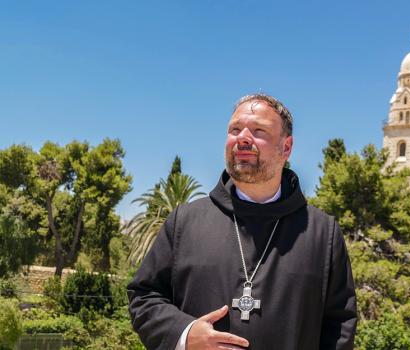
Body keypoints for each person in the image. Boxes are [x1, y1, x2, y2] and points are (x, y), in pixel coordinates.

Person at [127, 94, 357, 350]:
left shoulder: (322, 233)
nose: (243, 138)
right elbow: (144, 296)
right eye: (235, 129)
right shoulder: (185, 222)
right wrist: (184, 333)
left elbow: (340, 326)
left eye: (259, 131)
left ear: (287, 147)